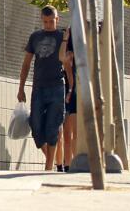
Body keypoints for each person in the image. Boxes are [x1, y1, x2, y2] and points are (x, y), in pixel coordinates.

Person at [17, 6, 67, 171]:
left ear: (57, 20)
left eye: (51, 21)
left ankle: (48, 167)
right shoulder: (35, 37)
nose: (48, 25)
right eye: (45, 22)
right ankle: (51, 160)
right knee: (36, 127)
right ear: (41, 20)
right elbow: (26, 64)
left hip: (57, 87)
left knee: (52, 127)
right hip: (38, 87)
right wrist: (21, 87)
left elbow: (69, 61)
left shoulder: (63, 37)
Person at [57, 25, 77, 171]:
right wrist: (65, 37)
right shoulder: (70, 54)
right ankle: (69, 164)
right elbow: (62, 58)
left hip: (82, 91)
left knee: (75, 132)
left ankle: (74, 162)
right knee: (67, 131)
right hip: (72, 91)